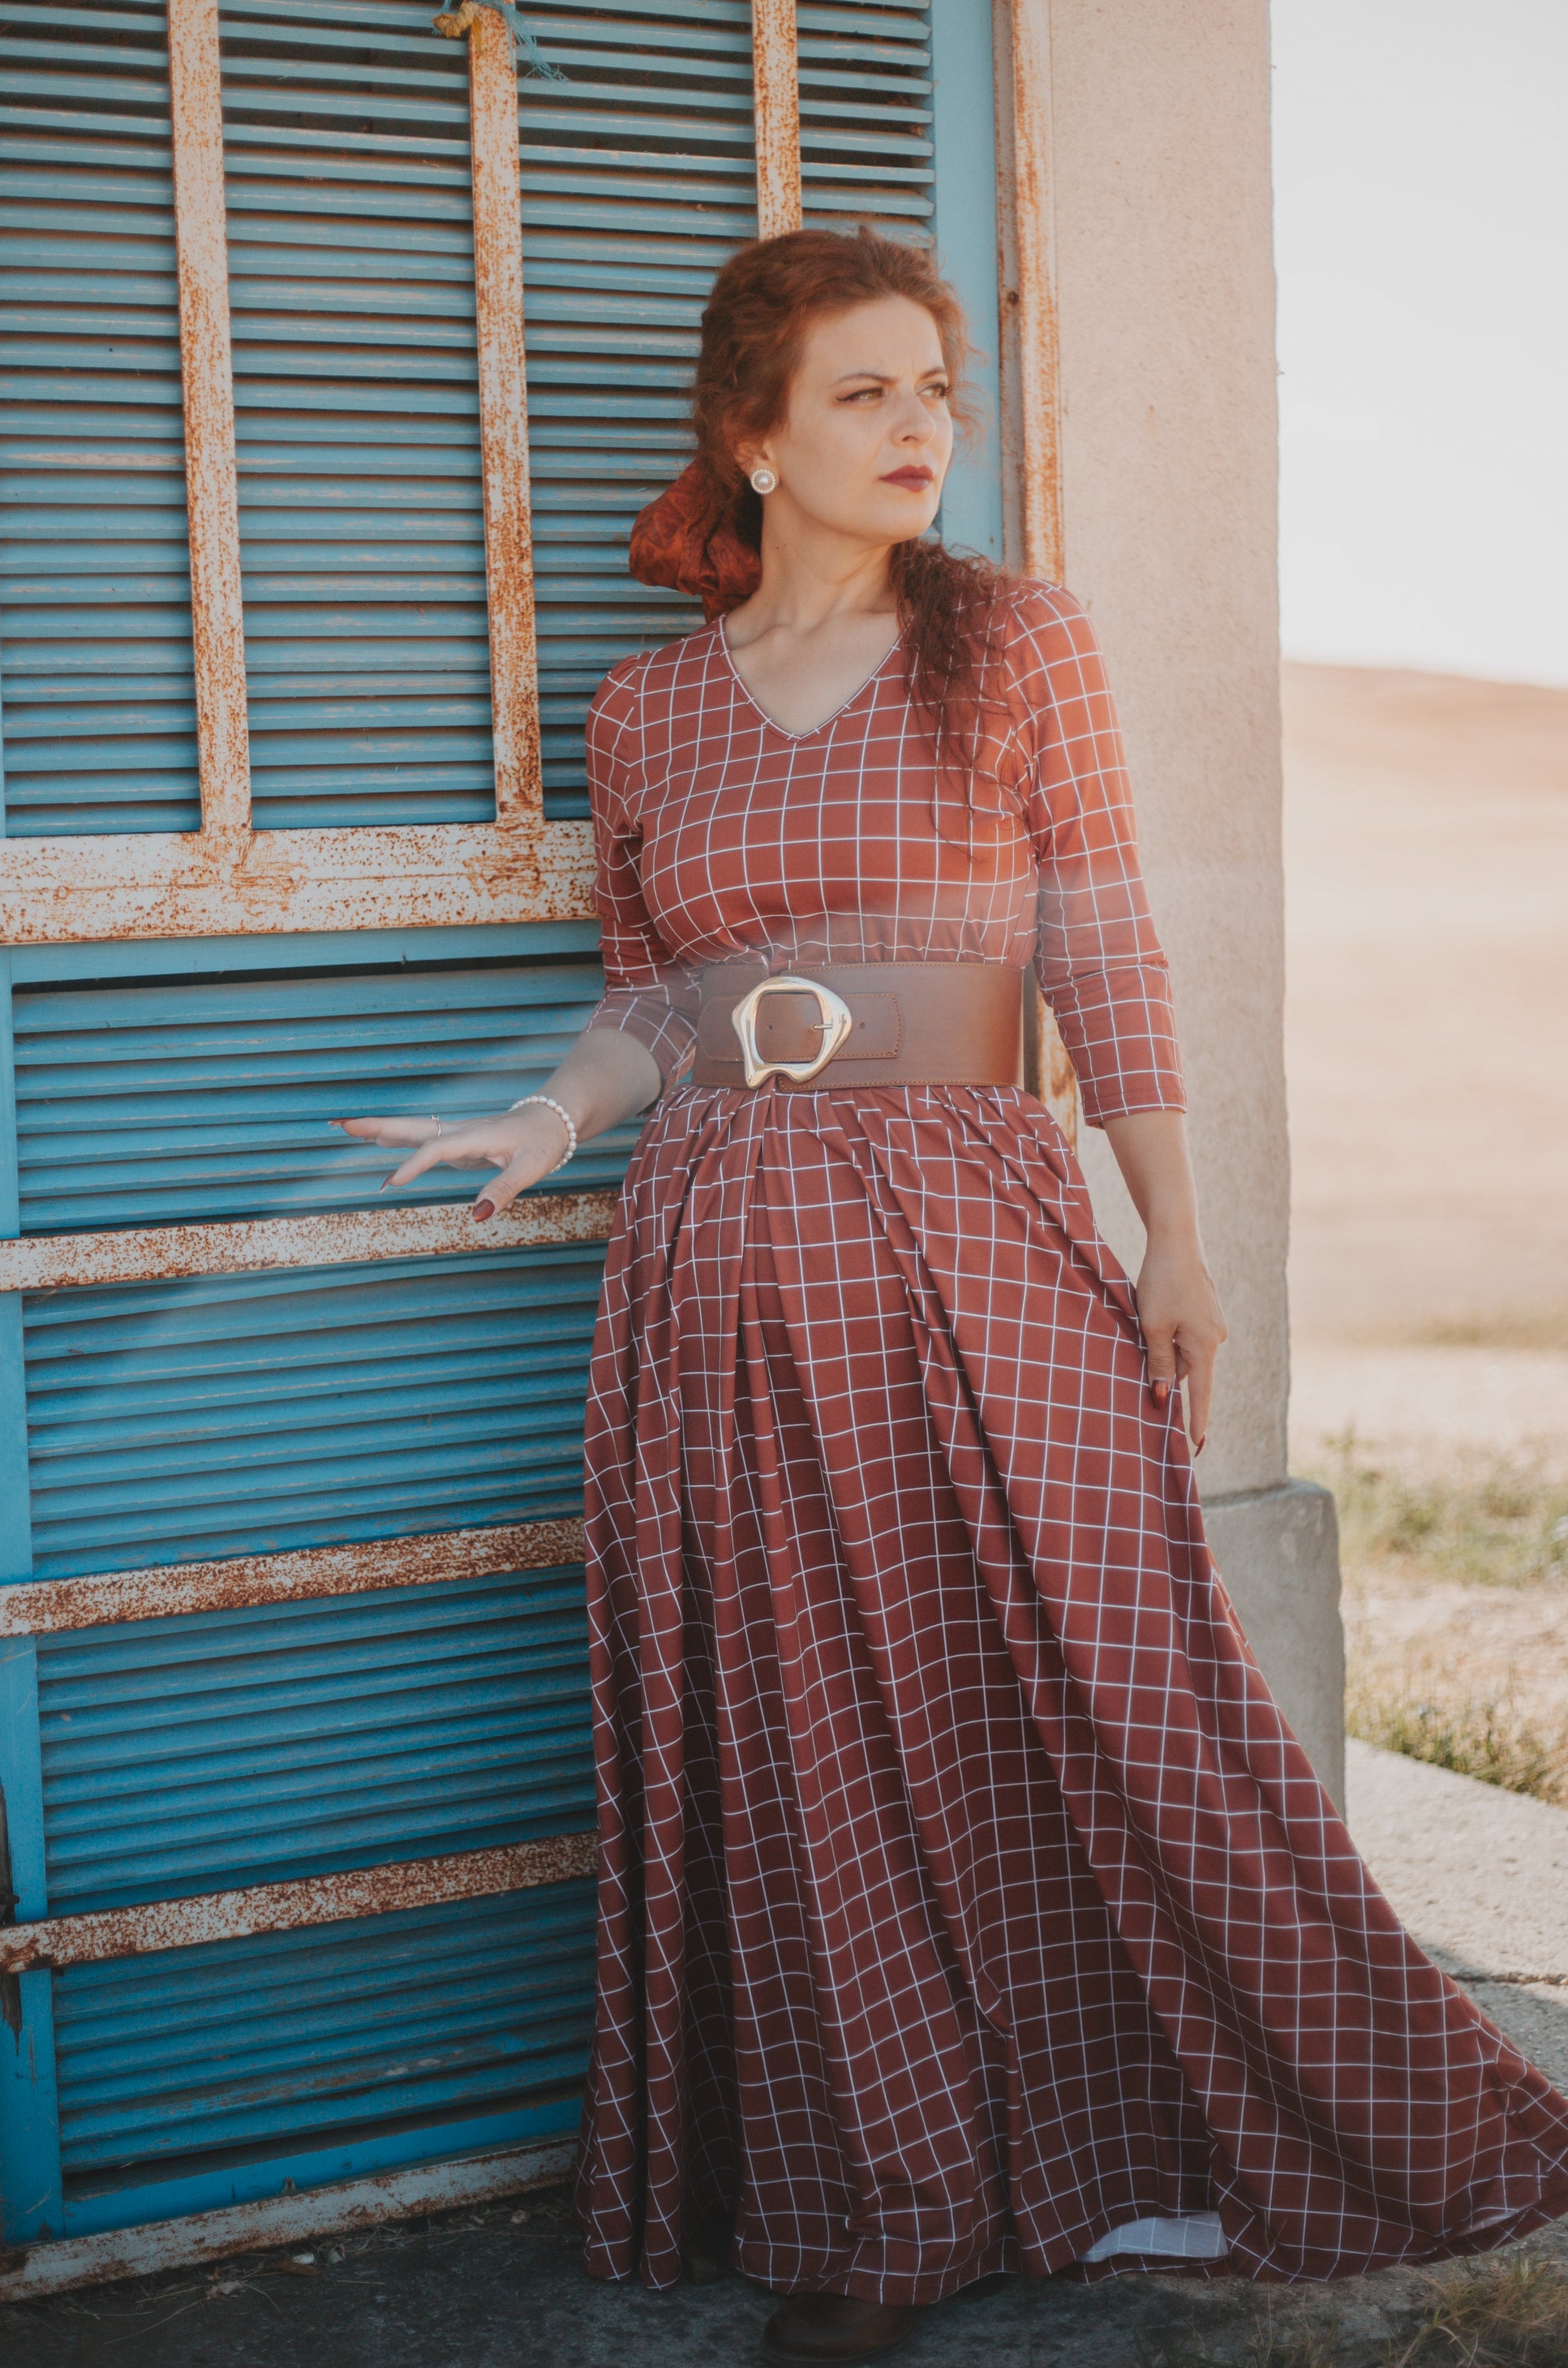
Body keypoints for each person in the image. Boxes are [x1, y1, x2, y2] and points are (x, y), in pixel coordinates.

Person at [338, 227, 1568, 2365]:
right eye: (863, 395)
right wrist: (541, 1127)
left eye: (937, 393)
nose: (920, 430)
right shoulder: (646, 709)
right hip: (722, 1239)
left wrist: (1172, 1234)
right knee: (805, 1733)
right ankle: (880, 2207)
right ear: (752, 438)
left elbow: (1101, 956)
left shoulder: (1013, 649)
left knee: (1116, 1692)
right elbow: (652, 1005)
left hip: (984, 1220)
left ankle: (1221, 2141)